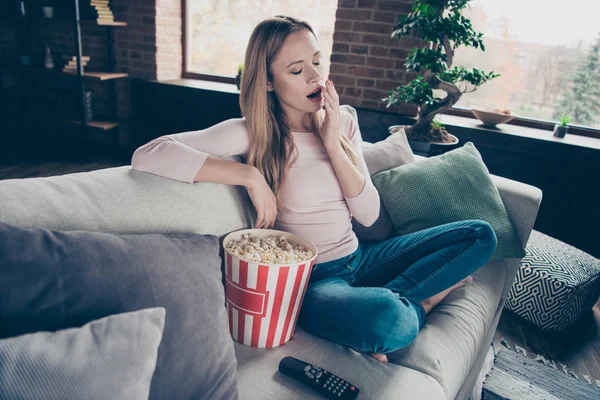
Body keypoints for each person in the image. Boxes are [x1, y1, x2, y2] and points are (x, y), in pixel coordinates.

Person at [131, 15, 497, 364]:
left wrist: (334, 144)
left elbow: (368, 215)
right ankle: (424, 302)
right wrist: (249, 177)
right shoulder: (253, 133)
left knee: (481, 236)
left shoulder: (345, 121)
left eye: (318, 62)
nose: (315, 77)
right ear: (268, 82)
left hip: (362, 257)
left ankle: (390, 301)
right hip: (315, 280)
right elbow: (149, 154)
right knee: (389, 321)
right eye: (297, 70)